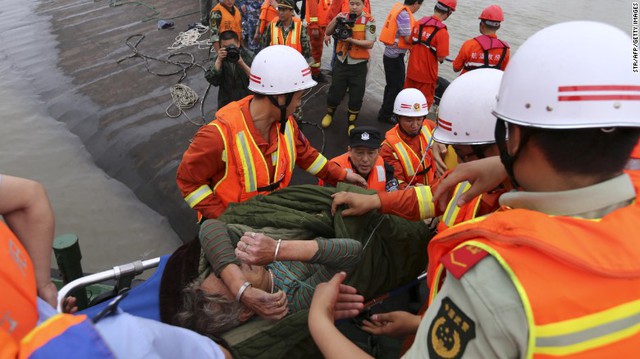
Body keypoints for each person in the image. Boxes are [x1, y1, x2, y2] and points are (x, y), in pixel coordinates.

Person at [310, 21, 640, 358]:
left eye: (466, 154)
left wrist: (319, 320)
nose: (462, 164)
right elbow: (434, 197)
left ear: (511, 138)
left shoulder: (496, 278)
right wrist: (379, 202)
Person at [0, 174, 230, 358]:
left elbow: (28, 198)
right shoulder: (122, 337)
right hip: (73, 340)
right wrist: (43, 289)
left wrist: (43, 289)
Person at [176, 45, 366, 221]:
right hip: (230, 228)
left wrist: (342, 175)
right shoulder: (217, 137)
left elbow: (307, 156)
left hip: (268, 216)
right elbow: (189, 182)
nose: (299, 104)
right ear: (280, 98)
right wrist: (224, 219)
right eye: (298, 98)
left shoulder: (287, 124)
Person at [330, 68, 507, 230]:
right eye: (456, 151)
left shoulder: (515, 204)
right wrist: (375, 201)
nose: (460, 161)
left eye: (462, 152)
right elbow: (424, 196)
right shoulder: (390, 146)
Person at [172, 219, 364, 337]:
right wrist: (277, 250)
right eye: (230, 283)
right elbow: (352, 252)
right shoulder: (291, 302)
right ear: (247, 310)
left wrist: (236, 283)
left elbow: (210, 227)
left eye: (223, 273)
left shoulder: (247, 257)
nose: (236, 262)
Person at [319, 0, 375, 134]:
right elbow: (328, 30)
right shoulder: (342, 16)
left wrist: (350, 40)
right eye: (352, 4)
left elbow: (370, 43)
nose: (354, 7)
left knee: (356, 96)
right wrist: (335, 19)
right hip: (342, 61)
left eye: (357, 4)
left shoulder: (369, 20)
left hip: (359, 65)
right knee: (335, 91)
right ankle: (329, 114)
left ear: (363, 5)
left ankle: (351, 122)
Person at [376, 0, 423, 125]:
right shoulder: (404, 14)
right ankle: (385, 115)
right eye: (420, 5)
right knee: (396, 87)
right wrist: (421, 41)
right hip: (394, 57)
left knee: (391, 85)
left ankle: (384, 111)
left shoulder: (399, 10)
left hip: (392, 55)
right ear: (416, 3)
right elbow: (407, 38)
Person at [380, 88, 438, 187]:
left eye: (419, 119)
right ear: (398, 118)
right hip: (414, 196)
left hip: (435, 186)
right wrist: (414, 190)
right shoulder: (388, 148)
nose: (415, 125)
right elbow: (397, 184)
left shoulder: (428, 126)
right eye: (409, 120)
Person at [405, 0, 454, 107]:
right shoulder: (442, 32)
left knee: (407, 101)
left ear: (435, 8)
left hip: (411, 71)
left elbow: (409, 41)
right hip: (426, 76)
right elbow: (441, 57)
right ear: (448, 13)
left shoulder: (419, 23)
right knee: (422, 105)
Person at [319, 126, 399, 192]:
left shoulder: (385, 167)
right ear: (349, 151)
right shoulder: (335, 170)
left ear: (379, 152)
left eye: (371, 153)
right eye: (359, 153)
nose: (365, 159)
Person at [452, 4, 510, 75]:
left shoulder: (469, 44)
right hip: (489, 85)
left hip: (467, 84)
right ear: (498, 27)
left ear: (482, 25)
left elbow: (456, 68)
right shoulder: (505, 50)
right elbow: (502, 73)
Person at [205, 30, 254, 110]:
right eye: (225, 47)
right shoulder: (219, 59)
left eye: (231, 46)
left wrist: (242, 63)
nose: (229, 50)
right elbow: (212, 80)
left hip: (248, 100)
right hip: (227, 102)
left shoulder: (248, 55)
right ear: (220, 47)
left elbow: (257, 79)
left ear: (238, 44)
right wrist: (219, 61)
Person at [260, 0, 313, 64]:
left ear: (291, 11)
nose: (281, 13)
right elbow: (265, 47)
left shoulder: (300, 27)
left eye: (284, 10)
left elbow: (307, 53)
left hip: (294, 64)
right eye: (279, 9)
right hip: (275, 64)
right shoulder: (272, 25)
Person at [305, 0, 331, 82]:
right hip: (316, 27)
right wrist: (314, 26)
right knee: (315, 51)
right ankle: (314, 73)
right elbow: (312, 8)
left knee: (317, 51)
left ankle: (315, 72)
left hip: (320, 26)